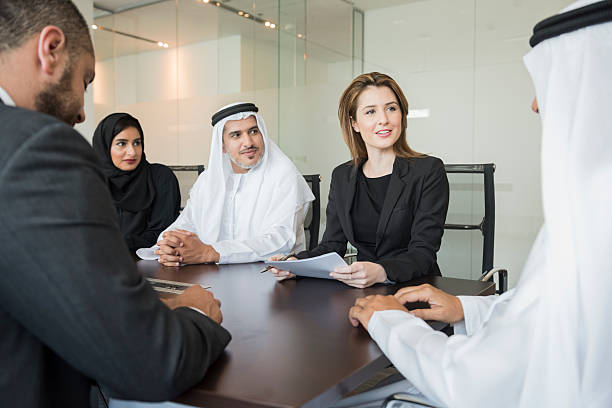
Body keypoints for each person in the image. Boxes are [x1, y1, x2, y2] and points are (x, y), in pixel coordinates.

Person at [343, 1, 612, 406]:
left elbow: (475, 381)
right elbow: (542, 316)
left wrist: (390, 322)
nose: (535, 105)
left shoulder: (597, 218)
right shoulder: (592, 210)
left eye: (549, 84)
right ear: (354, 122)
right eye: (371, 111)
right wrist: (468, 308)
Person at [0, 1, 230, 407]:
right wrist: (192, 313)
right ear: (50, 49)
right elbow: (151, 363)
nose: (81, 109)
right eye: (84, 80)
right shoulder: (35, 147)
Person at [272, 72, 449, 288]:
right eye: (370, 112)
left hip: (415, 288)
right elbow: (332, 245)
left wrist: (382, 271)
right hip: (360, 289)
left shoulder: (428, 171)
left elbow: (423, 253)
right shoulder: (342, 176)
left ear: (402, 114)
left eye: (391, 108)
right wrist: (295, 263)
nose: (383, 119)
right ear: (354, 123)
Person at [140, 102, 315, 266]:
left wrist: (211, 253)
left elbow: (281, 240)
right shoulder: (208, 181)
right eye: (236, 135)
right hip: (212, 276)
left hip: (272, 279)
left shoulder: (284, 176)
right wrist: (169, 245)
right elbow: (186, 225)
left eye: (253, 131)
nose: (248, 142)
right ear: (222, 146)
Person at [92, 113, 181, 251]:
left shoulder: (161, 178)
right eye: (122, 144)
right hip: (99, 264)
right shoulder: (92, 182)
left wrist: (116, 243)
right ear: (104, 147)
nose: (132, 152)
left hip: (150, 265)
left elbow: (163, 234)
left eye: (137, 143)